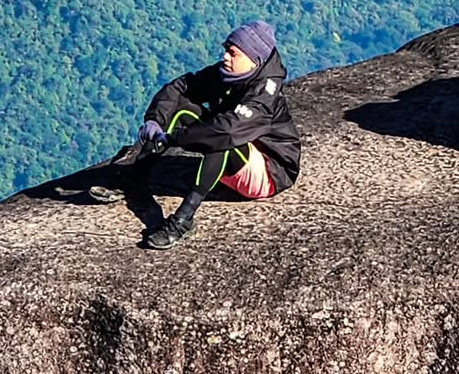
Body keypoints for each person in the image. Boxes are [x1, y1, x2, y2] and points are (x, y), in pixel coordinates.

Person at [92, 21, 302, 250]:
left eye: (233, 53)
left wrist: (175, 138)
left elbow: (229, 130)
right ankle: (134, 178)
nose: (225, 57)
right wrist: (155, 120)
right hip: (241, 150)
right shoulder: (233, 74)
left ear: (255, 60)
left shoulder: (264, 95)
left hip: (269, 171)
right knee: (183, 107)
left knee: (223, 139)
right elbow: (181, 87)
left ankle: (183, 220)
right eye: (226, 49)